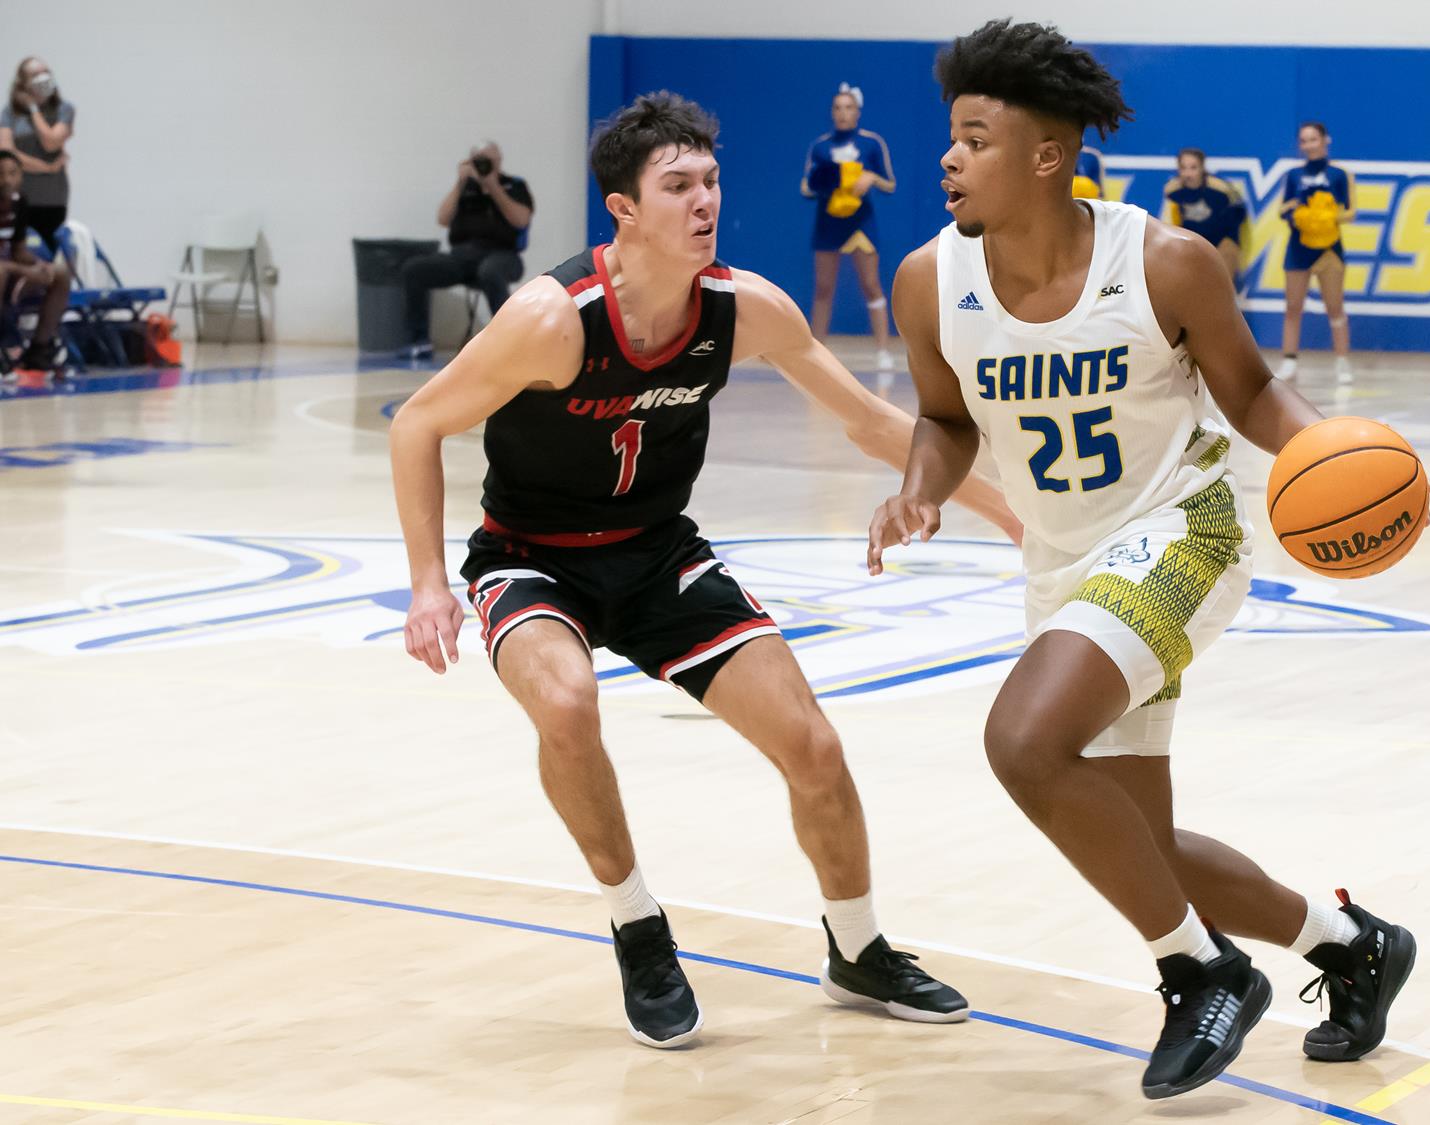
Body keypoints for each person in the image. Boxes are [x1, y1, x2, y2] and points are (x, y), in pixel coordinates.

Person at [390, 92, 1022, 1049]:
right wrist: (429, 581)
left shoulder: (742, 308)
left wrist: (1014, 517)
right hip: (532, 559)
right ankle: (639, 928)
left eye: (711, 181)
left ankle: (856, 949)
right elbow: (417, 423)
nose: (703, 201)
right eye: (676, 185)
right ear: (624, 210)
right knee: (565, 705)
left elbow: (868, 421)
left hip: (657, 552)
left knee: (813, 746)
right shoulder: (552, 320)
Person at [868, 19, 1416, 1101]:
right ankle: (1348, 945)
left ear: (1045, 156)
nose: (947, 158)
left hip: (1183, 534)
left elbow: (1252, 390)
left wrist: (1330, 453)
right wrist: (917, 490)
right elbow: (942, 417)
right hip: (1064, 565)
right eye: (949, 138)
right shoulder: (928, 281)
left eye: (973, 139)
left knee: (1022, 744)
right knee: (1138, 843)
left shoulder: (1161, 260)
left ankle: (1199, 970)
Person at [398, 140, 534, 359]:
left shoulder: (514, 185)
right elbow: (442, 219)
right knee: (414, 269)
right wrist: (460, 183)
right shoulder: (464, 188)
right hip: (463, 257)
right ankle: (418, 341)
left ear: (498, 161)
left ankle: (508, 340)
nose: (483, 165)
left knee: (490, 271)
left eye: (488, 160)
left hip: (503, 255)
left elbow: (520, 220)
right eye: (478, 160)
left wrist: (493, 186)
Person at [801, 84, 897, 371]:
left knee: (871, 284)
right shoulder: (820, 146)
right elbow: (807, 185)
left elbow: (890, 183)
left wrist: (870, 178)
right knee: (823, 288)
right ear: (832, 112)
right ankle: (816, 351)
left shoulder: (871, 143)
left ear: (858, 111)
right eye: (838, 108)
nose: (843, 113)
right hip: (828, 222)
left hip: (860, 223)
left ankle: (882, 350)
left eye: (849, 107)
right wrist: (823, 184)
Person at [1276, 122, 1355, 384]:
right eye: (1304, 140)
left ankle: (1342, 361)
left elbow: (1351, 212)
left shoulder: (1340, 174)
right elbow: (1282, 209)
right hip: (1299, 247)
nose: (1309, 144)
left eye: (1314, 139)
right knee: (1292, 306)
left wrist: (1326, 216)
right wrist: (1298, 215)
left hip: (1329, 249)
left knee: (1335, 306)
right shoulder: (1294, 175)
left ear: (1325, 140)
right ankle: (1289, 360)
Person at [0, 149, 71, 376]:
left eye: (12, 173)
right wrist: (23, 270)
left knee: (59, 272)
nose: (6, 180)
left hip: (7, 267)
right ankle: (5, 346)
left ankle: (39, 349)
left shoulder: (19, 202)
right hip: (3, 270)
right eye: (0, 174)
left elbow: (19, 250)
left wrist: (41, 265)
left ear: (21, 176)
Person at [0, 57, 74, 252]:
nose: (43, 77)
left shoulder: (63, 109)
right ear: (23, 82)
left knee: (47, 252)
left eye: (45, 71)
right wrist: (47, 167)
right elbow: (7, 154)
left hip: (52, 198)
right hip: (18, 197)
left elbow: (50, 143)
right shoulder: (10, 113)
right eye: (35, 74)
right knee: (16, 251)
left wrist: (33, 109)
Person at [1161, 148, 1244, 287]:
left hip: (1222, 240)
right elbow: (1171, 222)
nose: (1188, 174)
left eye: (1193, 168)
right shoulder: (1173, 191)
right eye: (1183, 168)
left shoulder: (1220, 189)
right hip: (1193, 244)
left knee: (1223, 287)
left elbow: (1239, 210)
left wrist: (1228, 240)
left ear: (1202, 168)